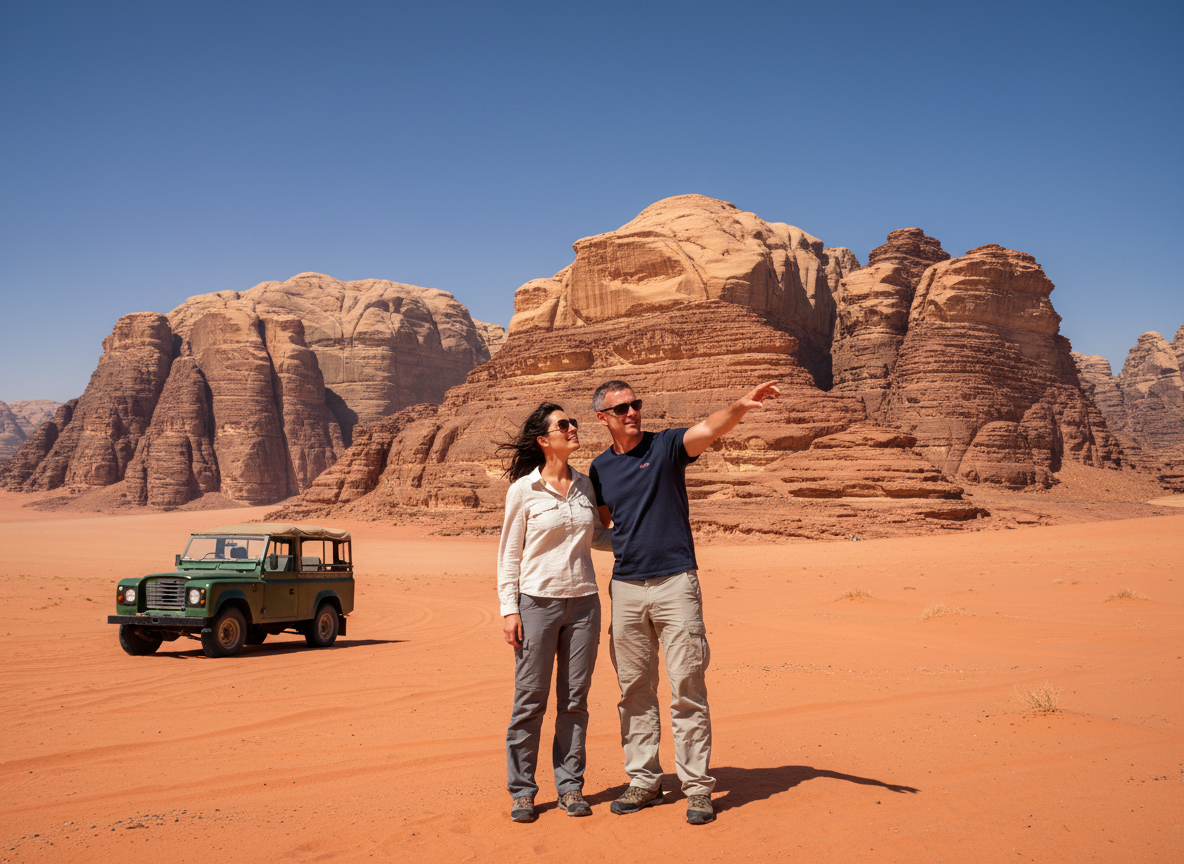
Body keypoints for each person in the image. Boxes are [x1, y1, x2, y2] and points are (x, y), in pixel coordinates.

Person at [589, 379, 780, 825]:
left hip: (676, 583)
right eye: (622, 409)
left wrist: (741, 406)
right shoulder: (599, 469)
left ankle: (696, 788)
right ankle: (645, 780)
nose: (632, 412)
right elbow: (606, 527)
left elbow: (709, 429)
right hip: (628, 589)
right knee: (634, 690)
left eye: (636, 404)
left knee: (687, 689)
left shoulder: (667, 446)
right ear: (603, 418)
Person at [496, 402, 613, 823]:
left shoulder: (586, 484)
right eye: (564, 424)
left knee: (575, 701)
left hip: (584, 603)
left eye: (574, 422)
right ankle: (523, 790)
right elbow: (509, 553)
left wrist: (643, 536)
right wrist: (510, 609)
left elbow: (599, 537)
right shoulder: (523, 491)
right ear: (545, 440)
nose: (573, 427)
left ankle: (570, 786)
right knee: (530, 701)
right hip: (537, 603)